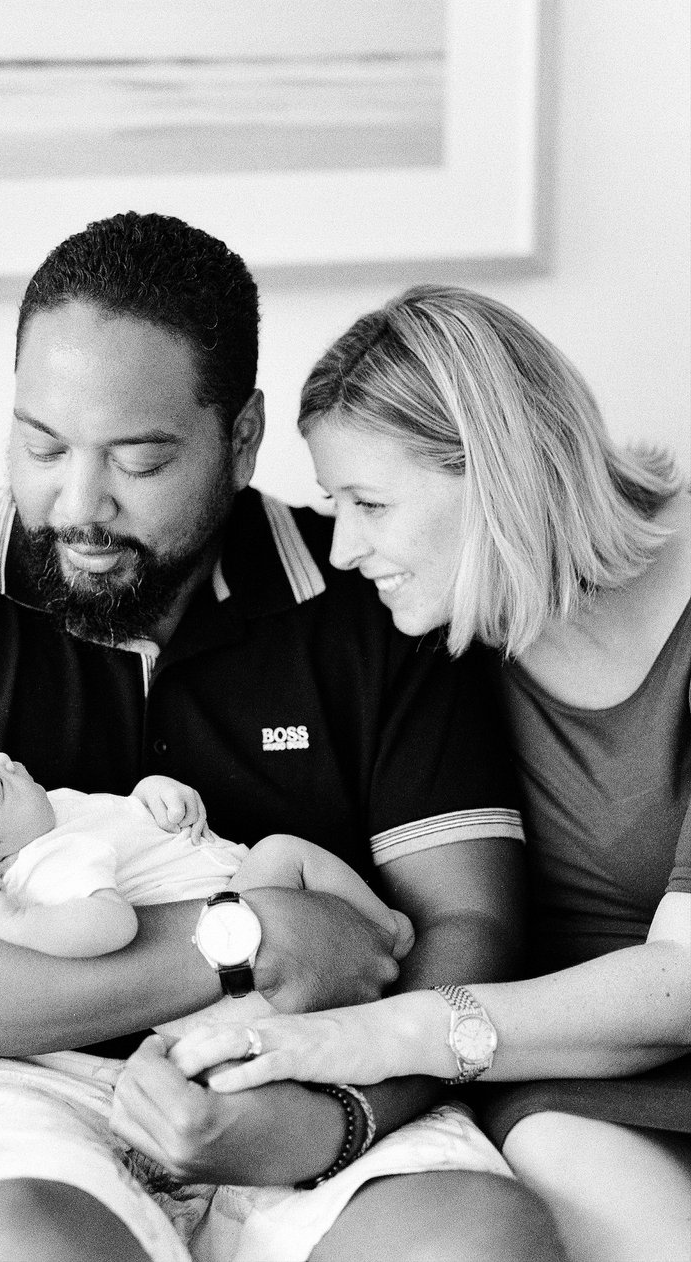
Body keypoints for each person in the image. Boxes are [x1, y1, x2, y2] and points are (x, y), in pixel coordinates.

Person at [0, 219, 562, 1262]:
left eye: (139, 459)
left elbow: (469, 921)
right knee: (23, 1246)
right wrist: (246, 937)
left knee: (475, 1243)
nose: (78, 503)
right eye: (42, 445)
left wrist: (336, 1114)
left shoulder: (373, 595)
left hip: (308, 1062)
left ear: (241, 438)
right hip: (0, 1079)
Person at [144, 285, 691, 1262]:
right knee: (580, 1167)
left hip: (592, 1024)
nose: (344, 550)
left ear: (495, 471)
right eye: (333, 507)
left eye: (370, 505)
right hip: (555, 1069)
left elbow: (684, 981)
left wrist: (387, 1034)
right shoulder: (436, 627)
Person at [0, 745, 413, 967]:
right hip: (233, 938)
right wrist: (16, 923)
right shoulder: (47, 863)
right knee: (284, 852)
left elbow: (119, 828)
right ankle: (389, 929)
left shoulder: (46, 816)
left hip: (244, 917)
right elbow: (112, 924)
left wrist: (150, 794)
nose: (3, 758)